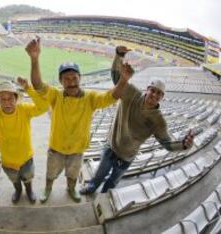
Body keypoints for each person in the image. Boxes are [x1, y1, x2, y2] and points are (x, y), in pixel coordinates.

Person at [25, 37, 133, 203]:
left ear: (80, 78)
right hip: (56, 148)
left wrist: (124, 80)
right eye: (66, 79)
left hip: (77, 150)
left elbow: (112, 96)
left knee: (73, 174)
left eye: (74, 78)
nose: (71, 82)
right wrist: (34, 59)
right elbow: (38, 84)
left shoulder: (90, 97)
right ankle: (48, 188)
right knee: (51, 173)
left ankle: (71, 189)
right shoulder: (55, 95)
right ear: (61, 81)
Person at [80, 46, 194, 194]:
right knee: (99, 175)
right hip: (111, 147)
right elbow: (117, 79)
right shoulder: (132, 94)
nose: (154, 95)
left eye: (159, 93)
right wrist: (119, 55)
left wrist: (184, 145)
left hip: (127, 158)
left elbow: (167, 144)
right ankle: (91, 188)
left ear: (162, 97)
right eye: (152, 90)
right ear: (147, 89)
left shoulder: (158, 120)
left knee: (112, 183)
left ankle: (103, 198)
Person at [0, 77, 48, 204]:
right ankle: (18, 191)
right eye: (3, 99)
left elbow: (44, 107)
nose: (7, 103)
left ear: (16, 99)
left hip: (26, 158)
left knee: (28, 179)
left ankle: (29, 192)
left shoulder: (24, 110)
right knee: (15, 181)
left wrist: (28, 88)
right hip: (7, 160)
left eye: (10, 98)